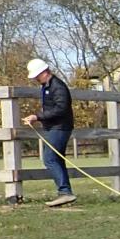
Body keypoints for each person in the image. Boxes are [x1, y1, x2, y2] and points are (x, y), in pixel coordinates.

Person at [21, 58, 76, 207]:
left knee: (50, 159)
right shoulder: (47, 86)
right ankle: (65, 193)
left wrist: (37, 116)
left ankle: (65, 192)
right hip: (54, 127)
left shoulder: (58, 87)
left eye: (37, 76)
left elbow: (61, 109)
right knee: (57, 160)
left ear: (44, 72)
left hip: (60, 127)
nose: (36, 79)